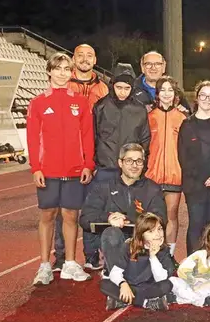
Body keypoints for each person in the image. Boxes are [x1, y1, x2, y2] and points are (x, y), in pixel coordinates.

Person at [55, 62, 149, 272]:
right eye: (119, 87)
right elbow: (92, 137)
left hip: (130, 171)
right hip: (105, 169)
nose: (123, 91)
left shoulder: (139, 109)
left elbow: (145, 139)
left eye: (127, 88)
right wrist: (91, 163)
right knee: (96, 211)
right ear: (112, 85)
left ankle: (126, 253)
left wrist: (141, 166)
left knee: (129, 212)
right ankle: (91, 255)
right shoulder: (100, 107)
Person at [28, 53, 95, 285]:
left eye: (66, 69)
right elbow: (32, 138)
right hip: (48, 171)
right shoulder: (38, 102)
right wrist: (36, 168)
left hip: (75, 170)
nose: (62, 73)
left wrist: (88, 164)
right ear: (49, 71)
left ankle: (69, 263)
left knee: (70, 216)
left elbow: (87, 136)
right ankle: (44, 265)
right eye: (58, 68)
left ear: (71, 72)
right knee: (47, 215)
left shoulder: (81, 102)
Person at [80, 143, 168, 240]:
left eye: (139, 161)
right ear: (120, 163)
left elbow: (160, 219)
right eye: (129, 161)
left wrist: (126, 219)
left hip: (140, 244)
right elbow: (86, 218)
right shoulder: (103, 187)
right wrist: (108, 218)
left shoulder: (153, 189)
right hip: (108, 244)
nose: (134, 165)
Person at [179, 81, 210, 255]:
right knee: (196, 225)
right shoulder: (187, 125)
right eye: (203, 95)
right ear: (197, 98)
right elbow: (183, 157)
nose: (207, 99)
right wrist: (202, 178)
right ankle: (193, 263)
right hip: (194, 185)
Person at [145, 76, 187, 256]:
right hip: (151, 176)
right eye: (163, 90)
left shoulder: (183, 117)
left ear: (176, 94)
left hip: (174, 175)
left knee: (171, 216)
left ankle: (169, 255)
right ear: (157, 93)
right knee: (151, 218)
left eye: (170, 90)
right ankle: (151, 255)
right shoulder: (149, 116)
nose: (167, 93)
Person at [100, 212, 176, 311]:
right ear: (141, 234)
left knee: (167, 285)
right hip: (129, 285)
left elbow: (161, 278)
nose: (158, 234)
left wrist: (153, 257)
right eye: (151, 231)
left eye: (160, 229)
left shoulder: (163, 250)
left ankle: (126, 300)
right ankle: (147, 302)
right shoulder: (129, 246)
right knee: (105, 284)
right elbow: (115, 272)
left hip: (148, 287)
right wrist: (123, 284)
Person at [170, 222, 210, 307]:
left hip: (208, 287)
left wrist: (204, 284)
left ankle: (178, 299)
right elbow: (183, 269)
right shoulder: (200, 254)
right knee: (173, 280)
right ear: (208, 239)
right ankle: (201, 301)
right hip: (191, 284)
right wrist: (194, 282)